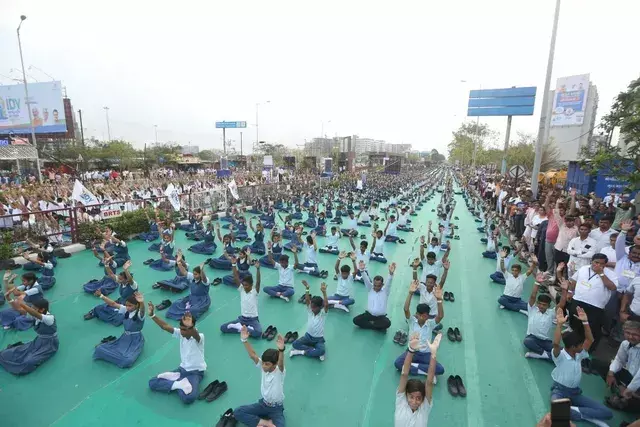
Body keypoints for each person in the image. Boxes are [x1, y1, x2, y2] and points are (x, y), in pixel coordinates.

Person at [551, 306, 613, 425]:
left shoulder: (579, 355)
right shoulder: (560, 356)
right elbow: (556, 343)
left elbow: (590, 340)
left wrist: (585, 321)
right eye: (580, 345)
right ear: (573, 347)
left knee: (607, 413)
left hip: (575, 393)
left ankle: (574, 411)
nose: (583, 346)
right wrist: (559, 324)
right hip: (560, 391)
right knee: (557, 413)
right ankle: (587, 416)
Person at [147, 307, 206, 404]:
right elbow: (165, 326)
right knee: (152, 382)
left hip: (195, 373)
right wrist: (152, 315)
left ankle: (176, 382)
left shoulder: (199, 338)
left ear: (192, 327)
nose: (181, 331)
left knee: (188, 398)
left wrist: (190, 326)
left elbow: (195, 334)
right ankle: (179, 383)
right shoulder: (180, 334)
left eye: (184, 329)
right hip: (181, 369)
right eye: (181, 329)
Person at [234, 326, 286, 427]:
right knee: (238, 412)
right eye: (263, 363)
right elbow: (253, 355)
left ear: (274, 365)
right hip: (263, 404)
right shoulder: (263, 367)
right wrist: (244, 340)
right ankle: (267, 423)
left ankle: (259, 423)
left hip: (276, 409)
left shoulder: (279, 371)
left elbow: (281, 362)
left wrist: (281, 350)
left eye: (267, 364)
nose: (263, 366)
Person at [394, 280, 445, 377]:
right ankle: (424, 370)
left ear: (427, 315)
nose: (423, 317)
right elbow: (406, 309)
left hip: (426, 354)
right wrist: (410, 293)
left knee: (440, 369)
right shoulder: (412, 321)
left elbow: (440, 316)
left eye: (425, 315)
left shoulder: (430, 324)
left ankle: (411, 366)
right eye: (421, 315)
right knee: (397, 363)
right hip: (412, 351)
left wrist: (439, 300)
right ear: (417, 314)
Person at [0, 296, 58, 375]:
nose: (32, 310)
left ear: (42, 310)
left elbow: (33, 313)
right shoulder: (36, 316)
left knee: (29, 361)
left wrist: (23, 305)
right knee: (7, 353)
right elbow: (21, 310)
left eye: (34, 308)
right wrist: (10, 299)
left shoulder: (49, 318)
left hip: (49, 344)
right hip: (38, 342)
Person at [394, 333, 442, 427]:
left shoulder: (424, 409)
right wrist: (411, 351)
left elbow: (429, 383)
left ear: (423, 399)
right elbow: (404, 374)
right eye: (411, 397)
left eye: (418, 398)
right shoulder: (401, 402)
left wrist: (433, 355)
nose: (414, 402)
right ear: (406, 395)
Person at [92, 291, 145, 368]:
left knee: (127, 360)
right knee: (99, 349)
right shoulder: (126, 310)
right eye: (127, 305)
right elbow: (113, 304)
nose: (128, 307)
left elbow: (143, 310)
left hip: (135, 340)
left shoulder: (140, 314)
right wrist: (101, 295)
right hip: (124, 338)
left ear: (136, 306)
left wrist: (142, 302)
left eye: (130, 306)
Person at [523, 273, 567, 360]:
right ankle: (545, 355)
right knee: (527, 342)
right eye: (540, 304)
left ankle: (541, 354)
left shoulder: (551, 313)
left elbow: (561, 304)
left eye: (544, 305)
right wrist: (537, 283)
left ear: (549, 306)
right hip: (532, 338)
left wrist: (564, 290)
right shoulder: (533, 310)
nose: (541, 306)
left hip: (546, 342)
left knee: (562, 353)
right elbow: (533, 296)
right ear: (537, 303)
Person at [84, 260, 137, 325]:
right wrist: (106, 265)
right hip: (121, 301)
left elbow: (130, 280)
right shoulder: (122, 282)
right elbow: (111, 275)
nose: (118, 280)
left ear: (126, 280)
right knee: (102, 306)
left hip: (129, 305)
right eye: (119, 278)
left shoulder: (133, 286)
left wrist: (125, 269)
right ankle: (94, 312)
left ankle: (102, 314)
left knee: (117, 317)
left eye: (121, 279)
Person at [220, 259, 262, 339]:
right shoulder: (241, 289)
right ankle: (243, 328)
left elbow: (258, 282)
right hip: (242, 319)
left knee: (258, 333)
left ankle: (240, 328)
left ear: (251, 285)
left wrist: (258, 269)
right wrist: (234, 265)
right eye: (243, 285)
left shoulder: (254, 292)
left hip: (253, 320)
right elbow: (236, 278)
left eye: (246, 285)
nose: (244, 286)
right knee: (223, 328)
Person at [290, 280, 328, 361]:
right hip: (308, 337)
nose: (312, 308)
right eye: (311, 306)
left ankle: (301, 352)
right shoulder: (310, 311)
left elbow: (326, 305)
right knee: (295, 344)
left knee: (322, 350)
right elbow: (307, 301)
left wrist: (324, 292)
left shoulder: (322, 314)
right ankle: (313, 351)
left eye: (314, 307)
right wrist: (307, 289)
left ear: (320, 307)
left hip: (318, 339)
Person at [352, 263, 396, 331]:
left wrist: (391, 274)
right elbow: (366, 280)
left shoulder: (385, 291)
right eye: (375, 285)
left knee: (387, 323)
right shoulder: (370, 289)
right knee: (355, 320)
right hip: (369, 315)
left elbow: (389, 283)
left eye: (378, 286)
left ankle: (370, 324)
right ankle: (375, 325)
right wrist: (362, 271)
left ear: (382, 285)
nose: (376, 287)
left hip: (380, 317)